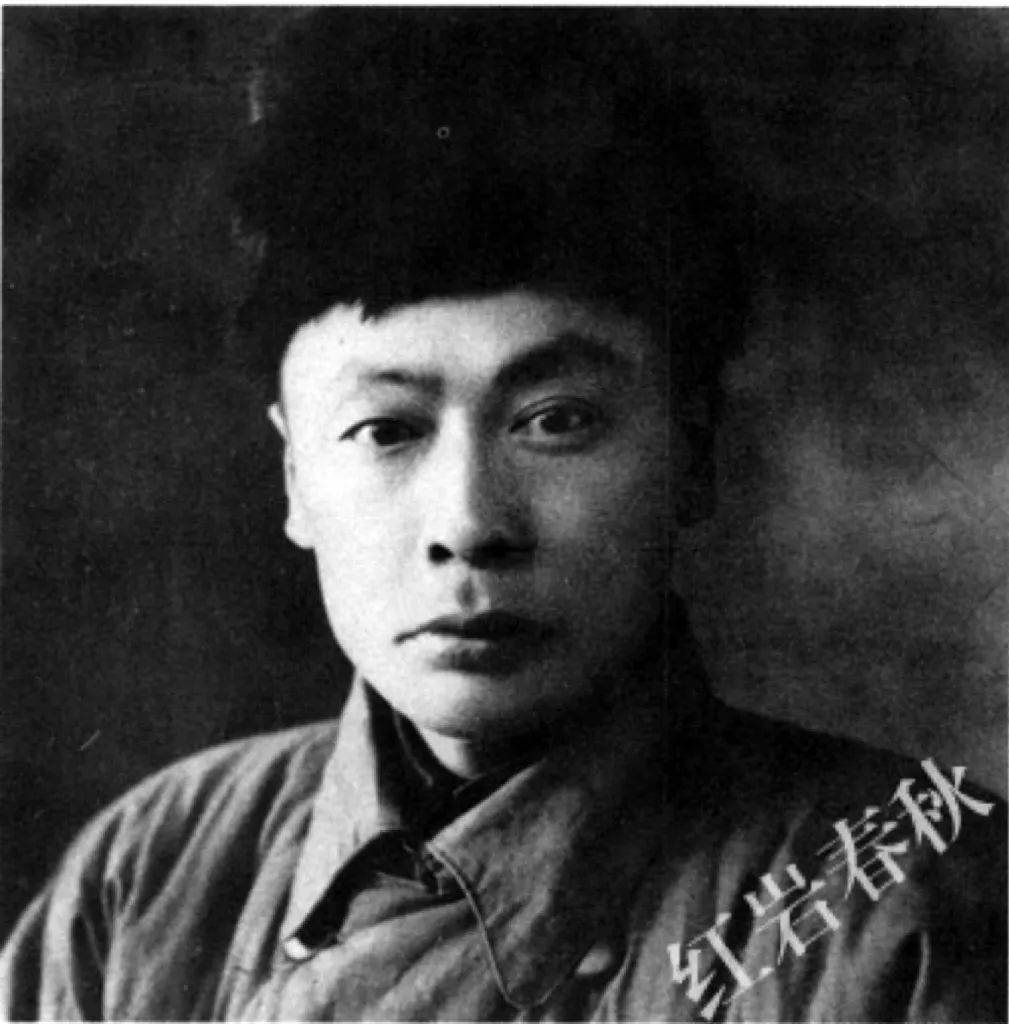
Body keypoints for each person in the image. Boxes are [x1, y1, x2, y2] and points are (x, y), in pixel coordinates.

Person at [2, 11, 1005, 1021]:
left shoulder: (912, 900)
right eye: (386, 429)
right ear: (295, 476)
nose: (469, 523)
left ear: (693, 451)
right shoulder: (150, 877)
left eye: (555, 420)